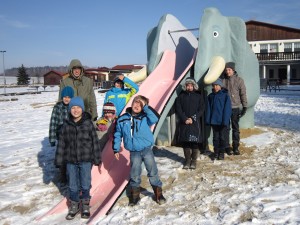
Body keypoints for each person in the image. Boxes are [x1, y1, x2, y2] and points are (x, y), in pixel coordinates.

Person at [113, 95, 166, 206]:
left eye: (140, 104)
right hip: (134, 151)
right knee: (135, 173)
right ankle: (135, 196)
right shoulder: (123, 119)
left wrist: (146, 107)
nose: (137, 105)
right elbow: (118, 134)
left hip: (146, 149)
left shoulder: (145, 117)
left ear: (144, 107)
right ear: (131, 103)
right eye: (135, 102)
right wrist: (116, 148)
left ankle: (158, 193)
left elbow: (156, 118)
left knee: (152, 170)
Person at [54, 97, 102, 220]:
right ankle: (74, 205)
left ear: (82, 109)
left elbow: (94, 142)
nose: (75, 110)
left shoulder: (88, 124)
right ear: (70, 110)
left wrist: (97, 158)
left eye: (78, 108)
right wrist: (59, 160)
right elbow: (62, 144)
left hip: (86, 160)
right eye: (73, 108)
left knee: (85, 184)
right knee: (72, 185)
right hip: (70, 161)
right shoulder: (66, 125)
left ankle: (85, 205)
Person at [175, 77, 204, 169]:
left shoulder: (198, 97)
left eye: (191, 85)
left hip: (195, 123)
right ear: (185, 86)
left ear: (194, 86)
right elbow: (178, 108)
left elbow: (201, 109)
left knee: (194, 142)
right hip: (184, 123)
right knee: (186, 142)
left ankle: (194, 161)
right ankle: (187, 160)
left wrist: (193, 118)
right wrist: (184, 118)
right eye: (188, 85)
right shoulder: (181, 96)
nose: (189, 87)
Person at [49, 86, 74, 185]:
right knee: (62, 157)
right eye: (65, 97)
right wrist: (52, 138)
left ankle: (72, 175)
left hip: (72, 137)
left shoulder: (74, 107)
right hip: (61, 136)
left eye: (69, 97)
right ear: (62, 97)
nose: (66, 99)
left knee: (71, 156)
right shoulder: (57, 107)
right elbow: (53, 122)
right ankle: (63, 175)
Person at [222, 62, 247, 155]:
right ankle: (227, 146)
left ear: (233, 70)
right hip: (225, 108)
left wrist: (244, 106)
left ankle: (236, 147)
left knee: (235, 128)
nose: (228, 71)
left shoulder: (239, 80)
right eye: (226, 70)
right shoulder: (223, 80)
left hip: (235, 107)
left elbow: (243, 93)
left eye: (229, 69)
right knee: (226, 128)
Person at [205, 79, 232, 160]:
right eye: (214, 85)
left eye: (217, 85)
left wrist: (225, 120)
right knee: (215, 138)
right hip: (214, 121)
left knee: (222, 137)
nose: (216, 87)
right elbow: (208, 109)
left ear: (221, 86)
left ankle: (222, 153)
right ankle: (216, 152)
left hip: (222, 121)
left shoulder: (225, 96)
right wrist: (208, 119)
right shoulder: (211, 96)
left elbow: (227, 109)